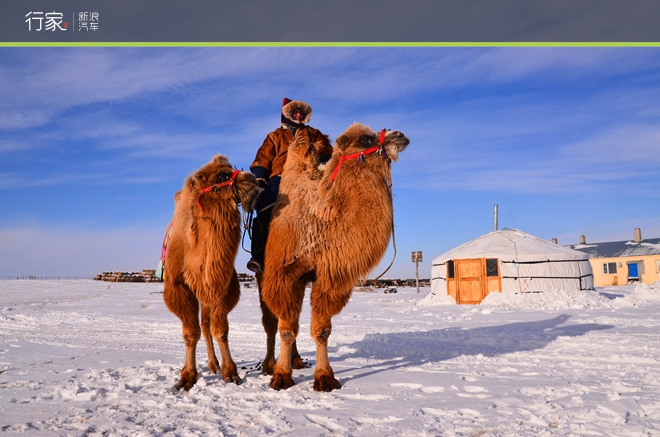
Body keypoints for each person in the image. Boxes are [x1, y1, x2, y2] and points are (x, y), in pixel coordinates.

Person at [247, 98, 333, 273]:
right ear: (287, 114)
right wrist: (260, 181)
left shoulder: (314, 134)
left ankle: (327, 256)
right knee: (264, 207)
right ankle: (258, 255)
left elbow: (328, 154)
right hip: (280, 176)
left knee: (328, 209)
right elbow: (263, 160)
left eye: (301, 112)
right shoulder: (274, 136)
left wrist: (324, 167)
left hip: (308, 174)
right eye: (295, 111)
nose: (299, 114)